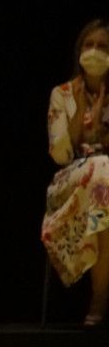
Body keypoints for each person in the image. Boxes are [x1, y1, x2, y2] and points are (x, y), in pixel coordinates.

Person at [42, 18, 109, 328]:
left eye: (103, 46)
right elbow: (61, 155)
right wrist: (80, 116)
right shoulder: (63, 94)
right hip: (71, 184)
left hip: (104, 186)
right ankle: (100, 295)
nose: (94, 51)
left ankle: (100, 294)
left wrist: (99, 125)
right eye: (89, 45)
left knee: (104, 177)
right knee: (100, 170)